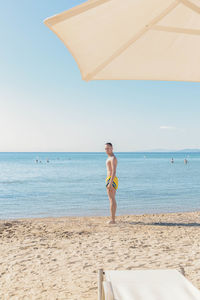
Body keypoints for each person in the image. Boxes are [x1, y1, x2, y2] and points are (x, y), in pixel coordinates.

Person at [105, 142, 118, 224]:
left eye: (108, 148)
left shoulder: (112, 158)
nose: (107, 150)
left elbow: (114, 171)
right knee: (111, 198)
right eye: (105, 148)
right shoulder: (109, 157)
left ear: (112, 148)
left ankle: (113, 220)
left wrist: (110, 183)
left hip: (111, 180)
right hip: (109, 179)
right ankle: (112, 218)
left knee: (112, 199)